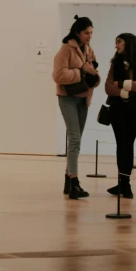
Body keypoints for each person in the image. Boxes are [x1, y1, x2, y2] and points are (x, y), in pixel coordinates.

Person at [53, 16, 100, 200]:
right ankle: (74, 182)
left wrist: (92, 75)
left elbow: (95, 76)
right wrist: (81, 72)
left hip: (83, 98)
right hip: (68, 98)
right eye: (86, 32)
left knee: (77, 140)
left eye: (91, 33)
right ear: (77, 32)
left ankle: (68, 179)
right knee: (74, 139)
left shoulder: (89, 50)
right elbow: (58, 75)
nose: (89, 36)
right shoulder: (65, 50)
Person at [105, 33, 136, 199]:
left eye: (119, 42)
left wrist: (121, 85)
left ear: (129, 43)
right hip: (117, 110)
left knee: (127, 144)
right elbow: (107, 88)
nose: (116, 46)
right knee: (122, 145)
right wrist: (125, 91)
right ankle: (124, 184)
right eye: (116, 42)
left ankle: (124, 184)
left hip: (135, 111)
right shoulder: (115, 62)